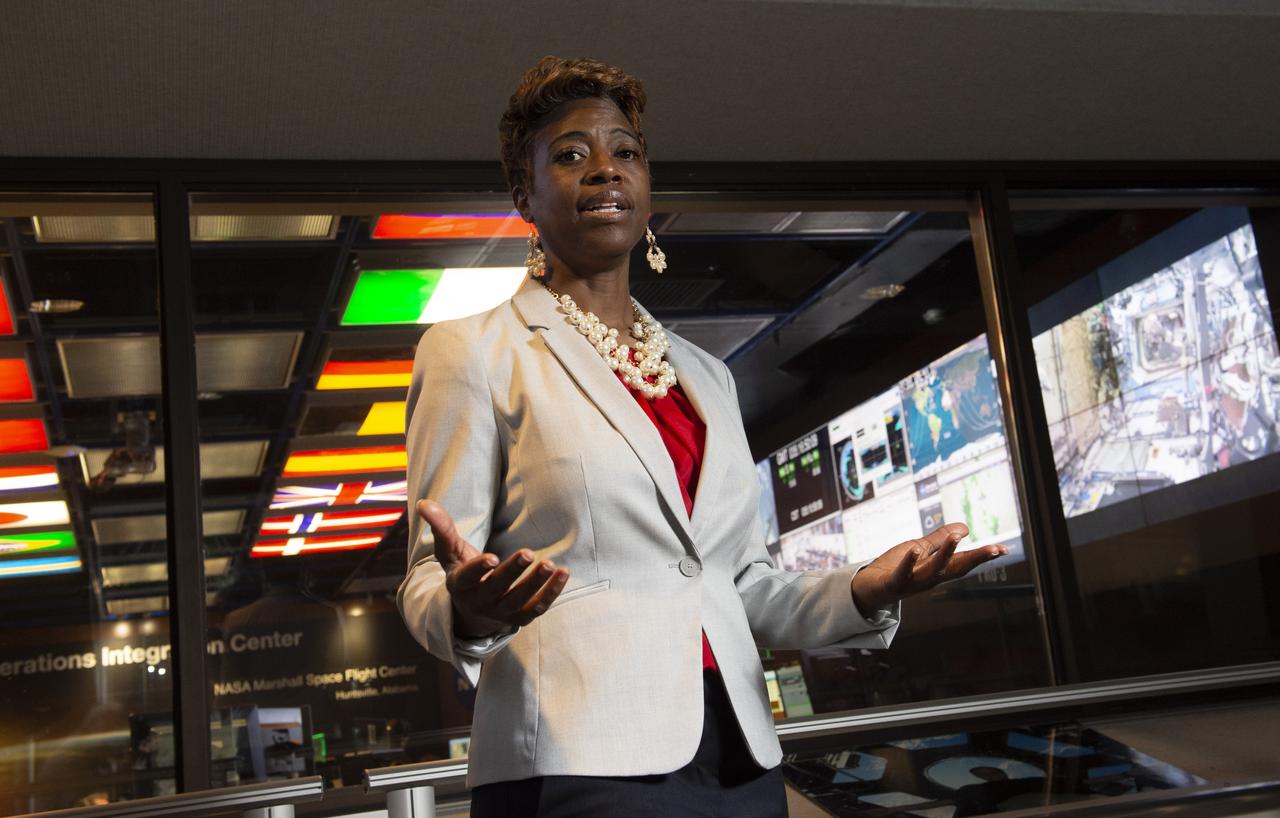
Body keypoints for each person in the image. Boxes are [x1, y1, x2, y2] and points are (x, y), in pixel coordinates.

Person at [398, 56, 1007, 817]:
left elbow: (738, 584)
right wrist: (472, 609)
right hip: (575, 762)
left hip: (739, 755)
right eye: (570, 155)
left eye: (625, 151)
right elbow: (427, 577)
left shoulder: (706, 375)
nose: (603, 172)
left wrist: (863, 589)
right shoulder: (473, 351)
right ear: (525, 194)